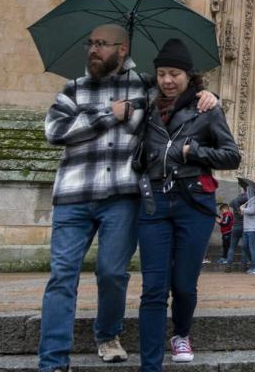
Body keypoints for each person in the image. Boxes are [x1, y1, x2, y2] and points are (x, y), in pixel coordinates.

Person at [39, 24, 215, 372]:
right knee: (62, 275)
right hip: (74, 195)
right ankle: (53, 361)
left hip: (121, 196)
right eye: (90, 43)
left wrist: (210, 98)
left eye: (102, 44)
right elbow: (54, 131)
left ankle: (107, 335)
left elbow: (180, 87)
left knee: (112, 273)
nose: (93, 49)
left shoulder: (144, 86)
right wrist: (108, 115)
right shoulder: (72, 90)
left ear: (123, 50)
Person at [135, 38, 241, 370]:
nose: (168, 80)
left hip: (192, 204)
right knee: (153, 286)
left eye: (175, 74)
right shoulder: (145, 107)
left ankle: (181, 333)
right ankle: (150, 363)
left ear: (188, 75)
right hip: (153, 203)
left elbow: (231, 155)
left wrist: (191, 152)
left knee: (183, 283)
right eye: (162, 73)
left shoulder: (206, 108)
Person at [239, 179, 255, 274]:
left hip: (253, 228)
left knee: (251, 247)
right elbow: (249, 212)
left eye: (247, 190)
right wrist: (243, 211)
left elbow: (252, 211)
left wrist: (243, 209)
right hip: (248, 228)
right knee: (245, 247)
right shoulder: (250, 200)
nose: (245, 192)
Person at [223, 192, 247, 272]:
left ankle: (228, 265)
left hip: (235, 227)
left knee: (232, 247)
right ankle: (243, 266)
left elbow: (231, 204)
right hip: (244, 227)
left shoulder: (235, 202)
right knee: (244, 247)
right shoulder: (246, 203)